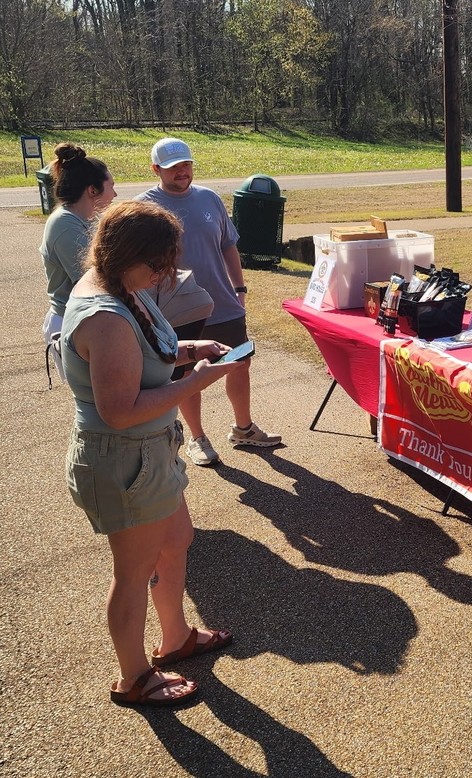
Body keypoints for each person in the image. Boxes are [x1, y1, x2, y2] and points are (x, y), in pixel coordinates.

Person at [62, 201, 243, 707]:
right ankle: (134, 677)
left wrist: (190, 351)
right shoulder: (105, 316)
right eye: (158, 263)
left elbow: (150, 353)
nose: (164, 273)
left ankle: (176, 637)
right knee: (133, 573)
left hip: (150, 452)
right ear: (125, 254)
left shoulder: (123, 287)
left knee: (177, 539)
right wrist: (200, 381)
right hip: (123, 459)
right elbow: (120, 411)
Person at [137, 138, 281, 466]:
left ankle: (243, 429)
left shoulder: (209, 198)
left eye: (186, 164)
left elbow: (229, 245)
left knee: (239, 363)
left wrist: (239, 288)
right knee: (188, 374)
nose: (182, 172)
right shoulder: (145, 207)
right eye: (173, 167)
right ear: (156, 169)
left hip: (223, 302)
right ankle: (197, 438)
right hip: (176, 309)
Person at [39, 144, 117, 383]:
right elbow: (95, 277)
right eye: (111, 187)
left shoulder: (84, 219)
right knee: (95, 397)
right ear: (92, 190)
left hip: (88, 317)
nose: (114, 194)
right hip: (72, 321)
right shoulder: (64, 224)